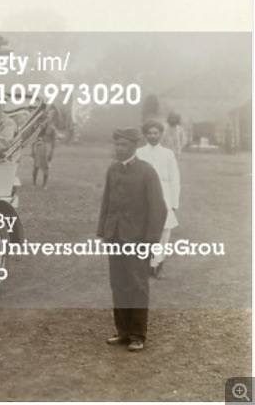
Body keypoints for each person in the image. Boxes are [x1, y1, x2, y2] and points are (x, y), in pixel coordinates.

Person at [97, 127, 167, 352]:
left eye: (123, 145)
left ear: (134, 147)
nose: (119, 148)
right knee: (118, 284)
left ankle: (138, 334)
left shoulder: (147, 172)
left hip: (138, 240)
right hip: (115, 237)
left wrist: (150, 240)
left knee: (138, 285)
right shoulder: (112, 170)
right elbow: (106, 203)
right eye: (116, 144)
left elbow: (159, 208)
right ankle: (123, 331)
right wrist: (104, 232)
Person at [136, 120, 181, 279]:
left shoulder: (168, 154)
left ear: (161, 134)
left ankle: (159, 265)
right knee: (145, 231)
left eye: (156, 133)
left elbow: (174, 178)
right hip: (144, 196)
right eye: (149, 133)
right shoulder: (139, 153)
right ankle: (147, 265)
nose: (153, 136)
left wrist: (174, 202)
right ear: (145, 135)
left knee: (164, 231)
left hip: (164, 195)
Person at [32, 121, 57, 188]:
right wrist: (32, 150)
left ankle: (44, 184)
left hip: (47, 147)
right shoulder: (38, 127)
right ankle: (34, 183)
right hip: (39, 146)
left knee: (46, 166)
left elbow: (54, 141)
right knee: (36, 166)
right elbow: (34, 139)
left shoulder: (52, 128)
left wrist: (51, 153)